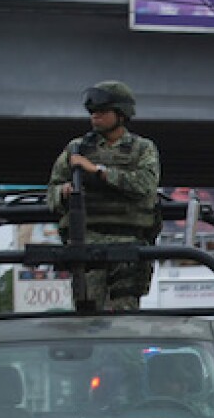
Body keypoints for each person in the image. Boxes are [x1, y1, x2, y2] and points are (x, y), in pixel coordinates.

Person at [47, 81, 161, 312]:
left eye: (102, 111)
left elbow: (145, 184)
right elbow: (52, 193)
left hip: (129, 246)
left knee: (125, 318)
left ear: (121, 114)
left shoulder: (142, 149)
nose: (95, 117)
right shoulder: (76, 149)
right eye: (92, 112)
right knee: (87, 319)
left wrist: (98, 171)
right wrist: (65, 191)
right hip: (87, 244)